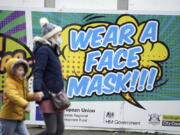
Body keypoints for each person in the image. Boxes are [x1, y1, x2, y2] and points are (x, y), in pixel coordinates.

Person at [33, 17, 65, 135]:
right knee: (51, 130)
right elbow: (38, 71)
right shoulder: (43, 50)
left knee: (60, 128)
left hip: (57, 94)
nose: (60, 38)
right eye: (58, 35)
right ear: (51, 36)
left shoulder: (52, 50)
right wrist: (37, 90)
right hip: (47, 94)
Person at [0, 58, 43, 135]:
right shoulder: (9, 83)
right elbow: (14, 96)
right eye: (19, 70)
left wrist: (35, 96)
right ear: (12, 71)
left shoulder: (22, 82)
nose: (22, 72)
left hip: (19, 117)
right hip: (9, 118)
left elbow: (25, 95)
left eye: (23, 70)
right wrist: (25, 105)